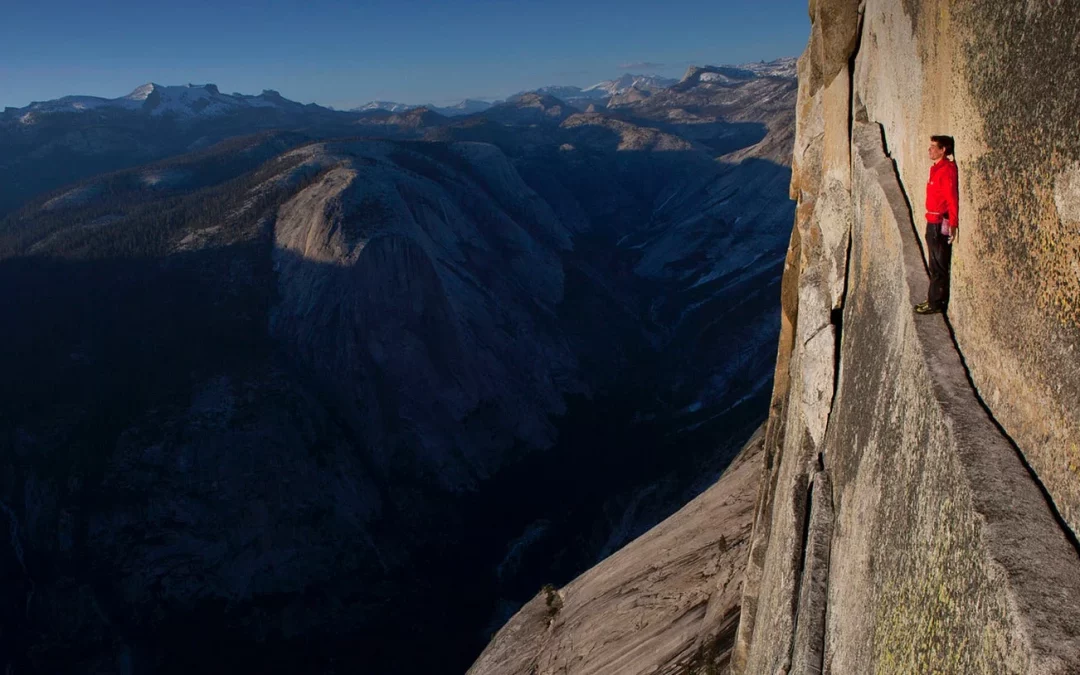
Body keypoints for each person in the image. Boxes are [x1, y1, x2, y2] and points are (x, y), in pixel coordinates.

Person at [915, 135, 959, 315]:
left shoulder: (947, 170)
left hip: (939, 223)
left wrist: (954, 224)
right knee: (933, 264)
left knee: (938, 266)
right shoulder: (936, 169)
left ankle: (935, 303)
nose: (930, 150)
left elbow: (952, 199)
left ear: (943, 150)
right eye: (930, 146)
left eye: (934, 147)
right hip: (931, 221)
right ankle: (932, 299)